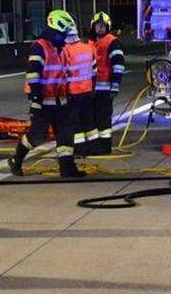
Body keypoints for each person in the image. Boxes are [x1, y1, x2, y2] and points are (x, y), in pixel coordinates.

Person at [9, 10, 85, 178]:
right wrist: (35, 98)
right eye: (65, 30)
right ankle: (16, 159)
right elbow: (33, 74)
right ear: (58, 27)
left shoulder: (62, 49)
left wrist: (70, 95)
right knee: (36, 136)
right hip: (43, 102)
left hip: (61, 101)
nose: (67, 34)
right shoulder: (40, 47)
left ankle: (67, 168)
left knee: (65, 135)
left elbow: (65, 74)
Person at [89, 12, 125, 154]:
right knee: (93, 119)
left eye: (103, 26)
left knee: (103, 119)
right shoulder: (91, 42)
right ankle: (95, 146)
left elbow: (118, 65)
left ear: (108, 26)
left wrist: (115, 85)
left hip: (105, 89)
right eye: (98, 25)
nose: (100, 28)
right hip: (91, 90)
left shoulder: (112, 41)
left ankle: (104, 147)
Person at [64, 24, 98, 159]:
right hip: (88, 90)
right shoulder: (87, 48)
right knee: (89, 121)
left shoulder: (65, 50)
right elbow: (95, 70)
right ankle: (94, 148)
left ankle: (80, 150)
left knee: (76, 124)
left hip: (73, 92)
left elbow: (64, 73)